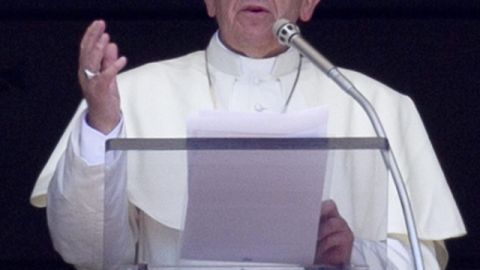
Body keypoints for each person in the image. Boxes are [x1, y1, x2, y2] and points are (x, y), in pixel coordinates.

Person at [30, 0, 466, 269]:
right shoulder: (128, 96)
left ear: (308, 4)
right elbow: (87, 253)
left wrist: (354, 254)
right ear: (210, 2)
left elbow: (422, 262)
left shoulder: (374, 105)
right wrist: (99, 127)